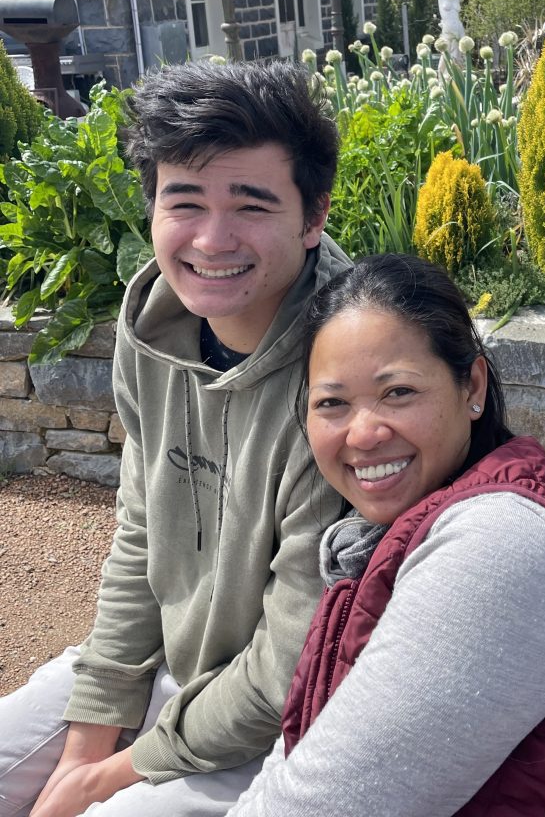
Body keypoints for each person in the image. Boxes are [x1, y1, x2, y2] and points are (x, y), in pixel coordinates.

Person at [0, 60, 351, 817]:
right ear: (153, 207)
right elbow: (140, 535)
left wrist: (102, 780)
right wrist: (90, 739)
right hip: (173, 669)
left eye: (252, 205)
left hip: (288, 724)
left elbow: (294, 660)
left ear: (313, 214)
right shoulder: (157, 329)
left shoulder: (352, 371)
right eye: (184, 201)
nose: (213, 240)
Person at [229, 254, 545, 817]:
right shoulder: (383, 534)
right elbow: (303, 757)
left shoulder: (498, 547)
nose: (364, 432)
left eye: (397, 392)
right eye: (332, 403)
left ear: (471, 385)